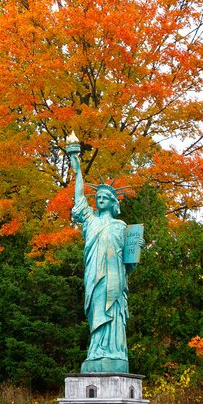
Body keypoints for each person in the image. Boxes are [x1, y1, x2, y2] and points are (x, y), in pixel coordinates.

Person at [68, 142, 140, 373]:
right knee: (97, 311)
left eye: (105, 197)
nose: (100, 199)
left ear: (113, 202)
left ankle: (114, 353)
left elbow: (129, 263)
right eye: (98, 196)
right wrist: (78, 170)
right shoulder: (90, 221)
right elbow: (79, 199)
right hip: (94, 275)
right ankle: (96, 352)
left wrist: (136, 251)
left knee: (114, 312)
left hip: (115, 278)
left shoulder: (121, 226)